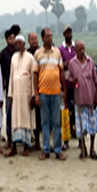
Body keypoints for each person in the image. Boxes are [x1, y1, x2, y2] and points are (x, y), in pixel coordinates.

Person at [33, 28, 65, 160]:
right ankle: (46, 150)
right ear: (42, 38)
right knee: (45, 122)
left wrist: (64, 90)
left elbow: (61, 71)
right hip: (43, 93)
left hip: (56, 93)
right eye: (47, 36)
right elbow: (35, 74)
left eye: (51, 36)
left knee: (57, 123)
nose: (50, 38)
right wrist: (36, 93)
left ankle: (58, 150)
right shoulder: (37, 53)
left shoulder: (57, 52)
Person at [69, 40, 97, 160]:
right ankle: (83, 147)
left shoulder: (90, 61)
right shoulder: (72, 63)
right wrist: (73, 81)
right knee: (81, 126)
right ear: (75, 50)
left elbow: (96, 81)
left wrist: (96, 97)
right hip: (79, 99)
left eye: (83, 48)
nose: (82, 51)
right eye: (80, 49)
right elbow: (70, 79)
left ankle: (92, 148)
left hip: (90, 98)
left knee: (92, 126)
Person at [6, 35, 36, 157]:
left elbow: (33, 77)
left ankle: (26, 146)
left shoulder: (30, 57)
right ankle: (13, 147)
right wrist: (10, 95)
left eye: (20, 43)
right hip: (16, 94)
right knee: (15, 120)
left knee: (26, 120)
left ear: (24, 44)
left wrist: (34, 95)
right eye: (16, 43)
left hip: (26, 94)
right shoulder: (13, 57)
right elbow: (11, 77)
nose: (18, 45)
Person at [58, 25, 77, 151]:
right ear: (64, 34)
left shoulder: (77, 47)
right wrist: (66, 64)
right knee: (65, 111)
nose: (69, 34)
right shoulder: (60, 49)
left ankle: (77, 133)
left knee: (77, 110)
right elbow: (59, 65)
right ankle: (66, 139)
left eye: (70, 32)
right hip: (65, 84)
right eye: (67, 32)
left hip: (76, 84)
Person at [0, 30, 16, 147]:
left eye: (14, 38)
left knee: (19, 115)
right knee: (9, 114)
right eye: (10, 38)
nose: (13, 40)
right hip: (8, 89)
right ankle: (10, 140)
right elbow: (0, 74)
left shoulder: (18, 52)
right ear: (6, 40)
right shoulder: (3, 54)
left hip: (20, 88)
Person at [27, 31, 42, 151]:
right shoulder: (27, 54)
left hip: (43, 88)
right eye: (32, 39)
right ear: (28, 41)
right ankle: (35, 141)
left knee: (43, 118)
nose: (34, 41)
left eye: (35, 38)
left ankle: (44, 143)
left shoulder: (41, 52)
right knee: (34, 117)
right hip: (31, 89)